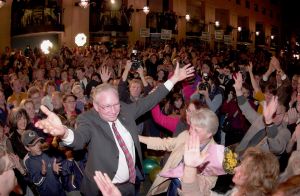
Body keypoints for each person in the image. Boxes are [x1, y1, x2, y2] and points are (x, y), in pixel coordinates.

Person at [35, 62, 194, 196]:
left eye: (116, 104)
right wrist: (64, 132)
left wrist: (173, 80)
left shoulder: (125, 110)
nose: (113, 110)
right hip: (102, 190)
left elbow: (150, 100)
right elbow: (79, 139)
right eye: (107, 106)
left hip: (130, 185)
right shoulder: (88, 119)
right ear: (96, 106)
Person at [139, 108, 231, 196]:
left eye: (196, 130)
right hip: (167, 185)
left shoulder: (216, 156)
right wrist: (137, 138)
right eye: (191, 126)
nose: (190, 131)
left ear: (209, 134)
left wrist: (189, 173)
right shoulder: (185, 135)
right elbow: (165, 143)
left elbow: (207, 185)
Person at [181, 136, 279, 196]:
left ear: (254, 181)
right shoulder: (239, 189)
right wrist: (207, 193)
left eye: (243, 170)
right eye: (241, 165)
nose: (236, 168)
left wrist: (190, 168)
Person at [22, 130, 66, 196]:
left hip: (60, 190)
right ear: (27, 148)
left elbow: (57, 174)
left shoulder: (47, 152)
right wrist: (43, 173)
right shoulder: (28, 161)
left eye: (38, 142)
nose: (38, 145)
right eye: (34, 144)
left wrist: (56, 171)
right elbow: (36, 183)